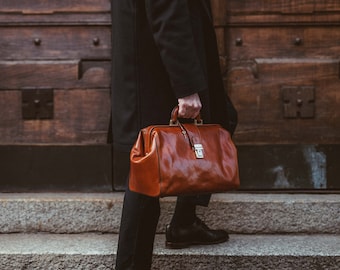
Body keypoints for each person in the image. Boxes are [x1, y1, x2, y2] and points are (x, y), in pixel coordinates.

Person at [111, 0, 238, 269]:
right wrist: (186, 87)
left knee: (224, 117)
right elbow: (167, 15)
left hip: (152, 71)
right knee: (143, 183)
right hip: (158, 75)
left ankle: (184, 221)